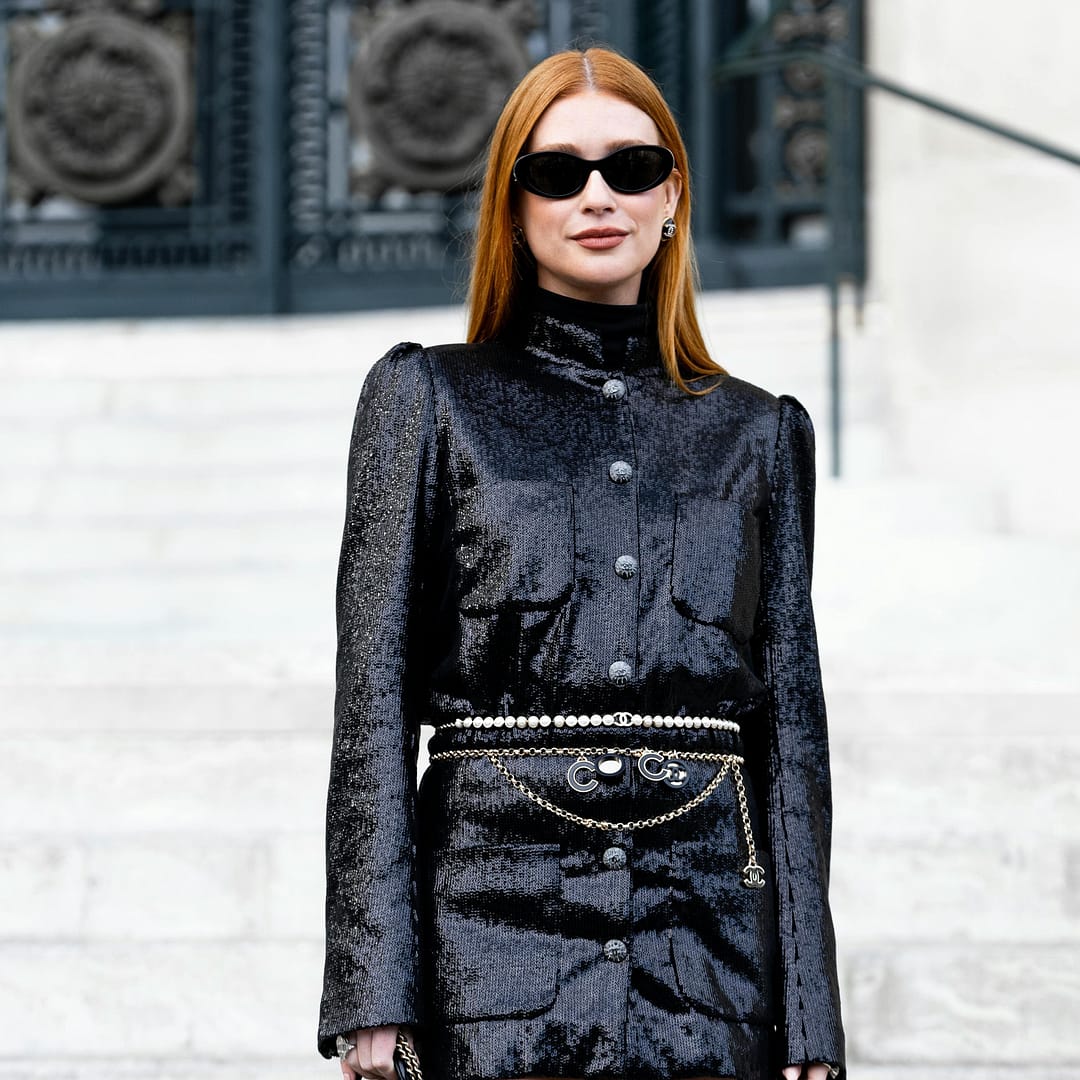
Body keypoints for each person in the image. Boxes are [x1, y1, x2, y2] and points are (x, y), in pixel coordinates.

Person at [317, 45, 845, 1080]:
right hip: (488, 932)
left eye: (631, 168)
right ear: (512, 207)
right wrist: (372, 984)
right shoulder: (428, 401)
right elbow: (370, 705)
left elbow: (790, 731)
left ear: (673, 195)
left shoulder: (760, 433)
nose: (597, 196)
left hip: (710, 946)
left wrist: (811, 1010)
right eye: (557, 173)